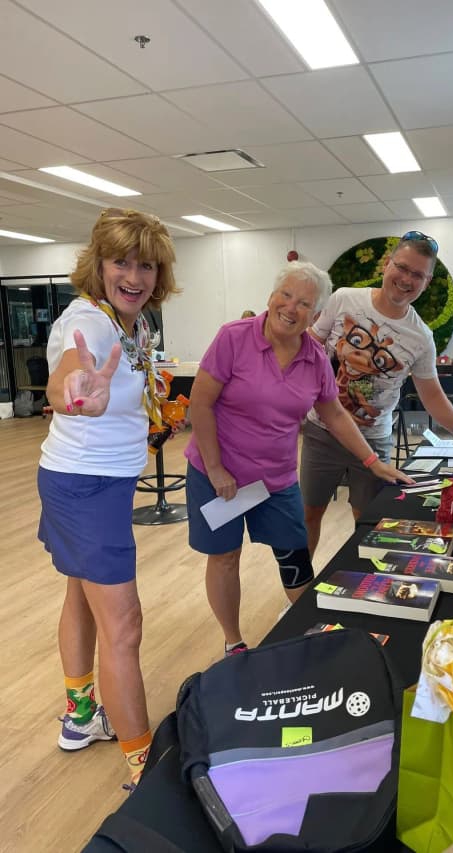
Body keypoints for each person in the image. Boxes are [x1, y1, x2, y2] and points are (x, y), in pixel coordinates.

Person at [185, 261, 412, 656]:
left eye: (304, 303)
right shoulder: (233, 338)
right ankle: (233, 642)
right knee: (225, 556)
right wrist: (218, 468)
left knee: (294, 555)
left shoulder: (314, 357)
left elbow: (334, 414)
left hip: (274, 480)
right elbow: (200, 406)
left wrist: (372, 460)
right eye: (285, 295)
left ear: (317, 314)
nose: (291, 307)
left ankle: (319, 633)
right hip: (218, 474)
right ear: (271, 296)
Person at [38, 208, 179, 788]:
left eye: (146, 264)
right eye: (121, 261)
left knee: (81, 589)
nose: (135, 275)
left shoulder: (135, 322)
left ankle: (79, 718)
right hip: (87, 485)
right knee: (124, 627)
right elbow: (70, 369)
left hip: (94, 481)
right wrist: (73, 390)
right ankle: (144, 767)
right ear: (97, 264)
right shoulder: (88, 322)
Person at [301, 231, 453, 556]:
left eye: (417, 274)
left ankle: (362, 589)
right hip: (323, 433)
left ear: (427, 282)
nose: (406, 279)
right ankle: (299, 590)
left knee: (369, 521)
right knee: (309, 515)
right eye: (401, 267)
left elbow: (430, 394)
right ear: (387, 265)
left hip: (374, 439)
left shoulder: (421, 336)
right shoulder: (344, 299)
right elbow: (310, 346)